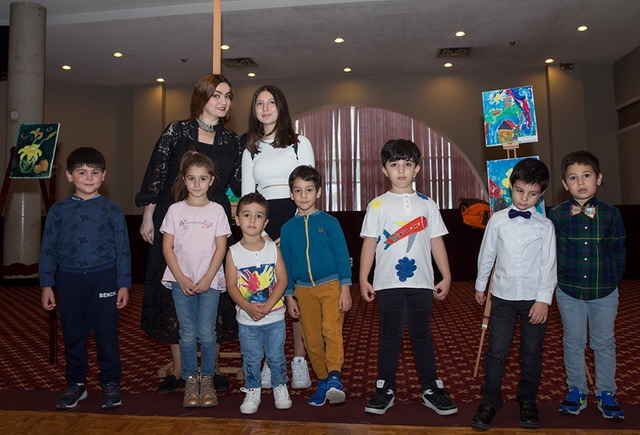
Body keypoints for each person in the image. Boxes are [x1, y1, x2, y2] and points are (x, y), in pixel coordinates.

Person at [136, 73, 242, 394]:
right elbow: (156, 172)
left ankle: (212, 369)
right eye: (216, 95)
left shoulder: (232, 141)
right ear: (202, 97)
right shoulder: (176, 131)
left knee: (216, 292)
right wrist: (148, 216)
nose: (223, 101)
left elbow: (239, 185)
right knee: (174, 292)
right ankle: (180, 369)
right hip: (175, 219)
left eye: (227, 96)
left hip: (215, 221)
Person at [359, 139, 457, 416]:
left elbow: (436, 241)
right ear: (384, 170)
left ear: (417, 169)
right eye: (394, 164)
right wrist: (364, 278)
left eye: (407, 164)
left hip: (421, 283)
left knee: (422, 335)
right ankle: (385, 388)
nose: (401, 170)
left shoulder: (428, 204)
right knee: (389, 336)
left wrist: (446, 275)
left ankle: (430, 388)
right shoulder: (377, 205)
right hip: (387, 282)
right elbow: (369, 243)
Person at [40, 147, 131, 410]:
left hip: (104, 278)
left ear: (104, 175)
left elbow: (123, 249)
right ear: (69, 176)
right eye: (82, 172)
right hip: (68, 280)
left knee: (106, 334)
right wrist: (47, 284)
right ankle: (76, 383)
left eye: (94, 172)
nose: (89, 178)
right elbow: (48, 248)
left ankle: (110, 382)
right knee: (73, 335)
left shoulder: (112, 210)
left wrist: (123, 284)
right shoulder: (58, 211)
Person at [471, 158, 556, 430]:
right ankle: (490, 401)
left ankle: (528, 400)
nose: (524, 198)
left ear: (541, 194)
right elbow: (487, 255)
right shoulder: (497, 221)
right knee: (497, 351)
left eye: (532, 194)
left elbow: (548, 265)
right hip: (503, 297)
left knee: (531, 352)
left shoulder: (545, 226)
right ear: (511, 188)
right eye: (520, 191)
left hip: (534, 299)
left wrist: (543, 300)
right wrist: (480, 285)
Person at [241, 85, 315, 389]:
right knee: (266, 296)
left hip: (295, 222)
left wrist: (292, 229)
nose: (265, 108)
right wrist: (261, 234)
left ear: (280, 107)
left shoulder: (300, 143)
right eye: (259, 103)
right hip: (263, 226)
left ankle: (299, 360)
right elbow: (247, 197)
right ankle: (271, 362)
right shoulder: (250, 148)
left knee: (296, 294)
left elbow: (308, 188)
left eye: (270, 102)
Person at [549, 151, 626, 420]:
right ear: (564, 184)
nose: (580, 182)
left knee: (604, 342)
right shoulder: (557, 214)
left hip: (604, 291)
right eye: (573, 177)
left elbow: (619, 251)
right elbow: (552, 253)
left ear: (599, 178)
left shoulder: (611, 214)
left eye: (586, 175)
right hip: (569, 290)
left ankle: (606, 391)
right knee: (573, 341)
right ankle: (577, 390)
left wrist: (613, 281)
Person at [160, 150, 230, 408]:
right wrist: (180, 277)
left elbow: (221, 247)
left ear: (211, 180)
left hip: (209, 282)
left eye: (202, 178)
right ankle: (190, 380)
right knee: (187, 333)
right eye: (192, 178)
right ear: (184, 180)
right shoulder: (175, 210)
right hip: (181, 282)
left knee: (207, 333)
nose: (197, 184)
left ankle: (207, 380)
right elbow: (167, 247)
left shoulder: (217, 211)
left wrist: (208, 277)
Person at [280, 165, 352, 406]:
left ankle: (335, 378)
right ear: (291, 194)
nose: (304, 195)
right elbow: (287, 263)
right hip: (303, 290)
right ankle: (322, 380)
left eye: (309, 190)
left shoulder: (330, 222)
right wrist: (289, 295)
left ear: (318, 192)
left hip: (331, 285)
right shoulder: (287, 228)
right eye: (298, 190)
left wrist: (345, 287)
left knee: (330, 329)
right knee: (310, 338)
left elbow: (342, 254)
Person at [225, 192, 292, 414]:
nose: (252, 220)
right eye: (247, 215)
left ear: (266, 222)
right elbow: (231, 286)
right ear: (237, 219)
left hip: (275, 317)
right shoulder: (233, 252)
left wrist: (270, 304)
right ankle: (252, 390)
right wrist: (247, 307)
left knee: (276, 356)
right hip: (247, 320)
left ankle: (280, 386)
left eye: (259, 216)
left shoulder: (273, 249)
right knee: (251, 358)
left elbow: (282, 280)